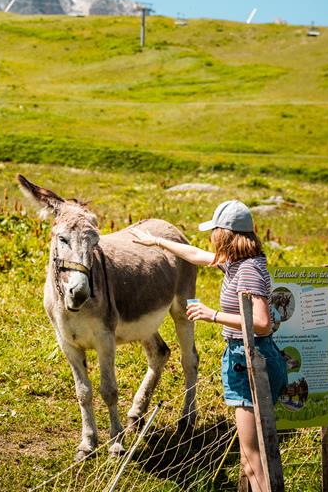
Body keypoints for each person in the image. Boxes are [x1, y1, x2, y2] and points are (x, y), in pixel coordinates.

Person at [131, 199, 287, 492]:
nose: (210, 237)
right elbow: (197, 255)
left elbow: (263, 322)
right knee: (249, 456)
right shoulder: (238, 262)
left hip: (250, 361)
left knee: (253, 461)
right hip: (246, 358)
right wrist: (157, 242)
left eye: (214, 231)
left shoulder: (248, 271)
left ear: (225, 234)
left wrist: (212, 315)